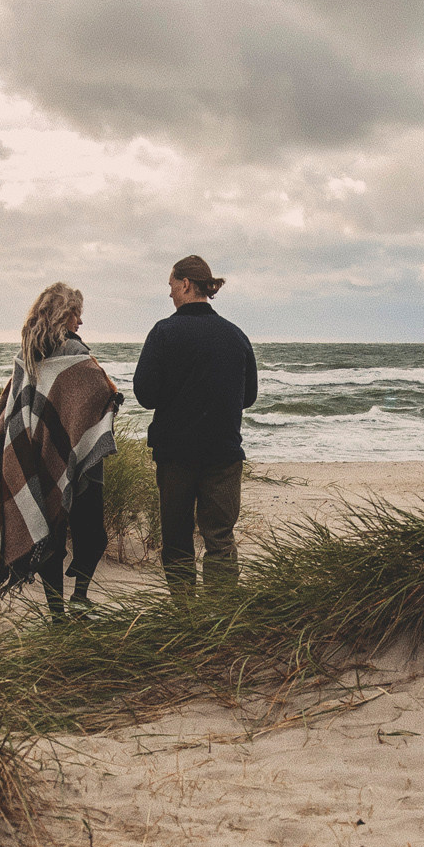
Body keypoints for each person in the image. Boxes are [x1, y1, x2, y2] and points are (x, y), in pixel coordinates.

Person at [0, 282, 120, 619]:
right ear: (63, 314)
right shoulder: (76, 356)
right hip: (79, 462)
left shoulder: (27, 356)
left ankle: (58, 612)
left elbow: (17, 409)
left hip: (35, 456)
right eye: (76, 314)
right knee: (92, 534)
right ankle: (78, 598)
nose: (80, 322)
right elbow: (99, 392)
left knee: (50, 532)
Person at [130, 253, 257, 594]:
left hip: (176, 456)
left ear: (185, 285)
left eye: (171, 285)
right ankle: (221, 615)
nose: (169, 293)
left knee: (177, 538)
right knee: (219, 537)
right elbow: (249, 397)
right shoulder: (236, 336)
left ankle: (185, 617)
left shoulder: (164, 333)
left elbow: (144, 394)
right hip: (223, 453)